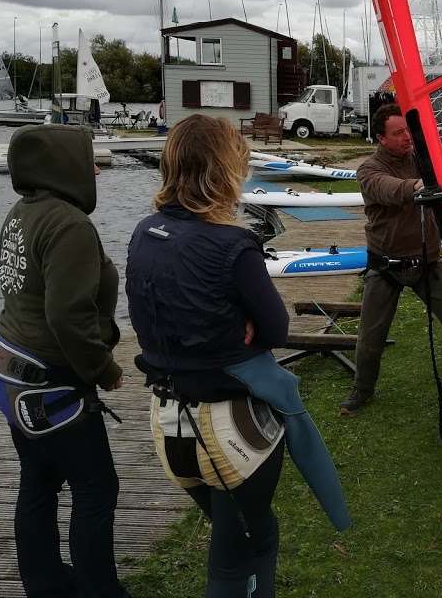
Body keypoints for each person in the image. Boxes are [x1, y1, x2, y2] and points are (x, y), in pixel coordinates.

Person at [126, 115, 349, 597]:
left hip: (168, 421)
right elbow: (276, 328)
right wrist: (240, 327)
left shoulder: (146, 232)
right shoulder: (233, 244)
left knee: (239, 534)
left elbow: (151, 312)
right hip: (229, 427)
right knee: (242, 552)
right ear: (225, 169)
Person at [0, 124, 129, 597]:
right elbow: (67, 316)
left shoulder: (22, 212)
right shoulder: (69, 225)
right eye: (89, 161)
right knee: (95, 489)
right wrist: (103, 370)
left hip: (9, 368)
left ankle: (45, 586)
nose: (96, 169)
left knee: (39, 481)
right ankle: (98, 591)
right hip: (51, 383)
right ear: (64, 166)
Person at [339, 104, 442, 422]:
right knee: (371, 336)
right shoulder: (368, 170)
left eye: (408, 131)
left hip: (428, 263)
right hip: (386, 267)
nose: (406, 138)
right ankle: (363, 388)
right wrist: (415, 186)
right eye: (398, 132)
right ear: (380, 138)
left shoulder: (422, 161)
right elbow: (387, 189)